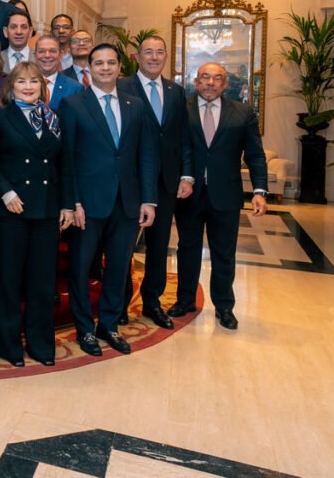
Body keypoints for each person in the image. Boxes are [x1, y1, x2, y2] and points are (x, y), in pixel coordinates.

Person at [59, 43, 158, 356]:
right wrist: (73, 201)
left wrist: (148, 199)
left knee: (118, 267)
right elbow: (66, 158)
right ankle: (85, 329)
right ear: (89, 68)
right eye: (99, 63)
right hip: (87, 205)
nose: (105, 68)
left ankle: (109, 324)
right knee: (80, 268)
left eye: (111, 63)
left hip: (127, 202)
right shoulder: (73, 105)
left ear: (119, 67)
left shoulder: (135, 105)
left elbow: (146, 154)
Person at [171, 63, 268, 330]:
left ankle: (224, 306)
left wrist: (259, 191)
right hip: (188, 193)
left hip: (226, 194)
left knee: (224, 253)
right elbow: (174, 148)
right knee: (187, 249)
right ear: (196, 82)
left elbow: (255, 155)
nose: (211, 83)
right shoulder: (181, 109)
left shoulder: (243, 112)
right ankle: (185, 300)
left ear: (225, 84)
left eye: (217, 78)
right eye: (205, 77)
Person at [0, 62, 65, 367]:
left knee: (42, 282)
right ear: (11, 87)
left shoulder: (53, 118)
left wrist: (67, 204)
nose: (29, 86)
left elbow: (63, 164)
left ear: (42, 86)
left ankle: (41, 344)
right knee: (8, 281)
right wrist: (6, 192)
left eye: (34, 81)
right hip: (11, 208)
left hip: (46, 208)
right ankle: (6, 345)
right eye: (22, 81)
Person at [117, 36, 193, 330]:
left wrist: (186, 175)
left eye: (159, 52)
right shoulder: (121, 87)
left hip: (165, 182)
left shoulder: (176, 92)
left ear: (166, 57)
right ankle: (120, 302)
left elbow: (183, 136)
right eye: (148, 52)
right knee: (123, 245)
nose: (154, 57)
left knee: (159, 245)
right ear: (137, 56)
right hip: (130, 180)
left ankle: (152, 301)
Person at [33, 35, 82, 111]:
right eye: (42, 51)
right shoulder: (22, 85)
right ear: (35, 56)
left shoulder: (75, 88)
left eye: (52, 51)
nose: (47, 55)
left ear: (60, 55)